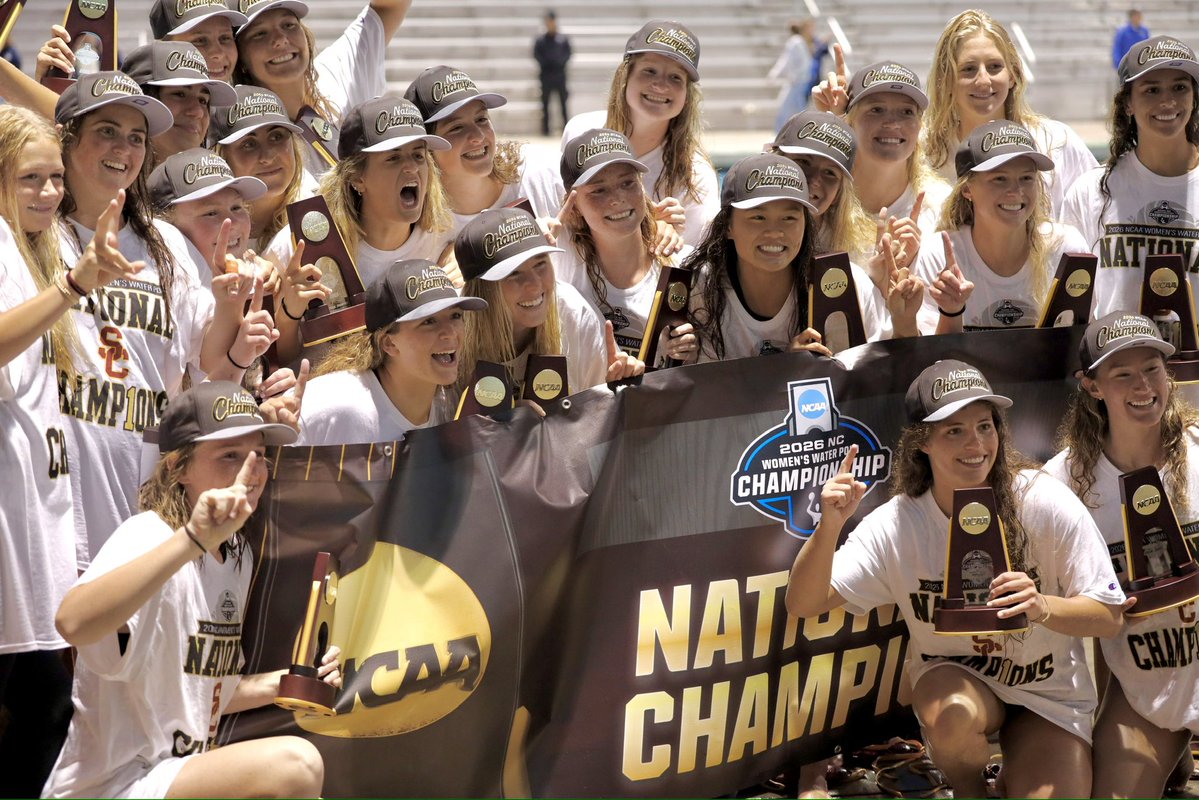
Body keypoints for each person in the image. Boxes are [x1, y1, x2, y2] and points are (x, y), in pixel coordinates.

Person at [785, 359, 1125, 798]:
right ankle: (969, 790)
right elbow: (804, 603)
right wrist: (829, 525)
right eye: (955, 431)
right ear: (921, 442)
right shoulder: (899, 523)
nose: (976, 444)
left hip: (1049, 697)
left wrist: (1043, 605)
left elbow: (1110, 616)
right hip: (960, 686)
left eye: (985, 426)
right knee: (951, 714)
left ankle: (1014, 778)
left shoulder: (1041, 500)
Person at [42, 380, 341, 798]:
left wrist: (288, 681)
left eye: (257, 455)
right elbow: (71, 620)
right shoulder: (149, 534)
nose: (249, 471)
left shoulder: (237, 554)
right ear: (179, 468)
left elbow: (206, 690)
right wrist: (192, 540)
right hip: (113, 786)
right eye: (229, 456)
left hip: (175, 774)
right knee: (298, 764)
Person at [0, 104, 141, 798]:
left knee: (46, 701)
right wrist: (74, 284)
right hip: (6, 512)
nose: (49, 193)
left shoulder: (36, 246)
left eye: (55, 178)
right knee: (41, 701)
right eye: (30, 178)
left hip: (33, 510)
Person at [53, 72, 247, 562]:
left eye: (137, 137)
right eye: (107, 131)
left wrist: (228, 306)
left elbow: (208, 360)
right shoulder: (35, 236)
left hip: (144, 486)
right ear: (66, 139)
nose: (125, 147)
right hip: (57, 486)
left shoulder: (167, 245)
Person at [1042, 312, 1199, 797]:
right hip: (1151, 680)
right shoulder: (1063, 483)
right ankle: (1172, 748)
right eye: (1122, 374)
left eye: (1152, 368)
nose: (1143, 385)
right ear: (1090, 385)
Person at [268, 95, 454, 366]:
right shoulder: (300, 244)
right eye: (393, 158)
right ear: (357, 178)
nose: (412, 167)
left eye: (418, 155)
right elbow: (274, 363)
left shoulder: (443, 238)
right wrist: (288, 312)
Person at [683, 153, 917, 362]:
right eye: (758, 218)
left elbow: (884, 378)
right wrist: (788, 369)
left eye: (789, 218)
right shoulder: (700, 287)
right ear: (727, 227)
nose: (775, 232)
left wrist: (904, 322)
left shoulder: (847, 282)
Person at [1061, 35, 1199, 320]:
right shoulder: (1091, 191)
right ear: (1127, 103)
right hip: (1117, 362)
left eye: (1179, 87)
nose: (1168, 101)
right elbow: (1070, 304)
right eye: (1151, 90)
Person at [914, 120, 1088, 333]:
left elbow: (1077, 346)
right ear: (967, 189)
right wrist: (952, 311)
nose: (1016, 191)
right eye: (1000, 179)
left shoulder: (1067, 250)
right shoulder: (938, 254)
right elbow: (935, 360)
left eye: (1026, 178)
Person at [922, 9, 1097, 218]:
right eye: (968, 69)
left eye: (994, 66)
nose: (983, 80)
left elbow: (1098, 210)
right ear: (947, 81)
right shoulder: (923, 152)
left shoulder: (1057, 143)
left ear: (1013, 74)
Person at [455, 206, 643, 395]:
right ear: (481, 289)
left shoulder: (572, 311)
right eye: (513, 274)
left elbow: (606, 407)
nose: (535, 285)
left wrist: (617, 387)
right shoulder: (449, 332)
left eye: (540, 264)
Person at [561, 19, 718, 246]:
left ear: (687, 94)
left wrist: (672, 237)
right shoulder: (580, 132)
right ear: (625, 77)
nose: (661, 85)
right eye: (649, 71)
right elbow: (565, 216)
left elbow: (699, 260)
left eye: (676, 77)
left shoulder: (696, 173)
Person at [298, 259, 487, 446]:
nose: (450, 333)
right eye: (429, 321)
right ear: (389, 343)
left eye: (455, 316)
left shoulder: (454, 406)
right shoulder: (335, 403)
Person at [556, 127, 697, 360]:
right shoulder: (561, 262)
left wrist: (694, 346)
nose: (617, 199)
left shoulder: (684, 266)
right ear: (573, 205)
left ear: (643, 187)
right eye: (598, 190)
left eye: (627, 183)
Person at [234, 0, 415, 177]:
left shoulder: (338, 70)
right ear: (240, 58)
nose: (280, 40)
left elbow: (392, 6)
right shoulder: (241, 138)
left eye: (288, 25)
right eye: (260, 34)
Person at [769, 110, 921, 296]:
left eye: (830, 173)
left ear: (839, 193)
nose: (815, 180)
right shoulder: (742, 222)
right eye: (803, 162)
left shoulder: (860, 253)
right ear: (775, 162)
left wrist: (876, 287)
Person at [404, 65, 562, 239]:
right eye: (456, 128)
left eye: (481, 119)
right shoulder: (414, 225)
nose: (478, 136)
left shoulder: (541, 178)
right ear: (426, 146)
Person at [809, 55, 951, 239]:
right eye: (876, 109)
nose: (892, 123)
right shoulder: (820, 197)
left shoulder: (942, 206)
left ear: (920, 126)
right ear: (848, 122)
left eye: (907, 112)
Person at [212, 85, 316, 252]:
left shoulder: (322, 211)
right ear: (222, 156)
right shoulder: (206, 228)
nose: (267, 157)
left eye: (276, 137)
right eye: (248, 144)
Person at [121, 41, 238, 165]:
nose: (197, 112)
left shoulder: (218, 183)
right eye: (180, 94)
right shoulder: (106, 182)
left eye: (203, 101)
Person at [768, 19, 815, 133]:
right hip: (801, 80)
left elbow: (785, 60)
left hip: (796, 82)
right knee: (799, 109)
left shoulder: (794, 42)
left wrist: (774, 74)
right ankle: (802, 132)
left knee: (785, 109)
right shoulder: (801, 42)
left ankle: (780, 133)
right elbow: (806, 63)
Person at [533, 10, 571, 137]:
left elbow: (568, 54)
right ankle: (545, 131)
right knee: (545, 104)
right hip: (546, 75)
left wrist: (559, 63)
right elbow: (537, 55)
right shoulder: (540, 40)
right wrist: (548, 63)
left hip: (560, 75)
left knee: (563, 103)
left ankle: (565, 129)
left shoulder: (563, 39)